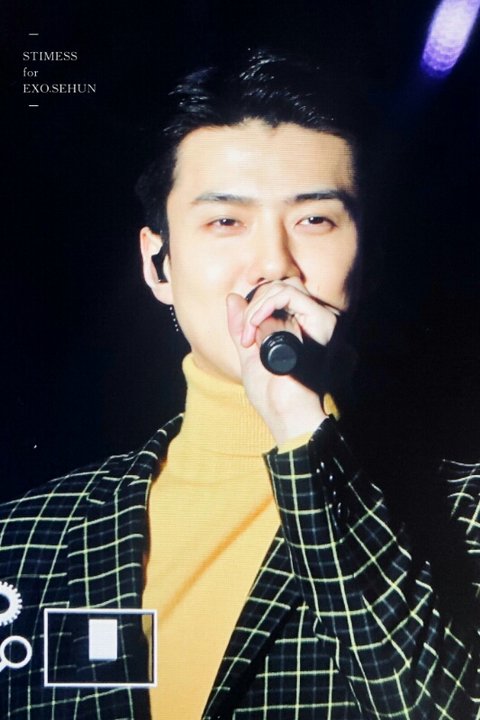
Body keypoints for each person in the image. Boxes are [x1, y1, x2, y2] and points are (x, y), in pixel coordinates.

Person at [0, 49, 478, 719]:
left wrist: (301, 429)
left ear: (365, 260)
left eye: (315, 220)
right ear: (158, 264)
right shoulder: (25, 538)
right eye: (225, 221)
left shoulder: (464, 514)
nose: (273, 264)